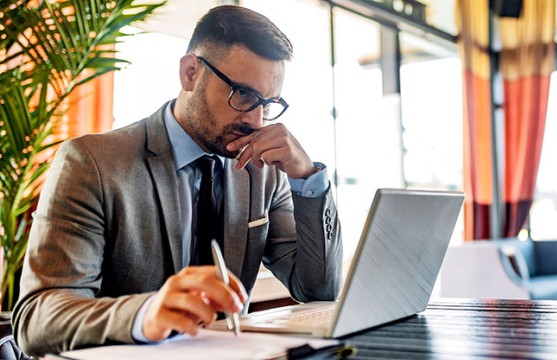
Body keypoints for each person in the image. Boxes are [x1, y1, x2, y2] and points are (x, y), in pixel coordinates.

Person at [12, 5, 342, 356]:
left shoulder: (264, 172)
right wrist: (144, 315)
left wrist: (307, 178)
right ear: (190, 73)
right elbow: (36, 321)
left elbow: (318, 289)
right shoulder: (92, 163)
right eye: (244, 95)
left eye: (268, 103)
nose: (256, 121)